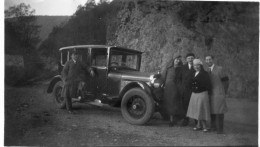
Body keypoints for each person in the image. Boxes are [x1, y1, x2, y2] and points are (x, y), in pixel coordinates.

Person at [61, 50, 94, 114]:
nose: (75, 56)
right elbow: (64, 72)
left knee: (73, 94)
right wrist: (65, 79)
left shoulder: (80, 62)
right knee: (67, 95)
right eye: (74, 55)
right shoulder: (68, 63)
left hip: (76, 81)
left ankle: (70, 105)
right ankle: (69, 109)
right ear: (71, 56)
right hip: (69, 81)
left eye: (76, 55)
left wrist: (91, 70)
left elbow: (86, 67)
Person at [205, 55, 229, 134]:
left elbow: (226, 81)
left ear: (213, 60)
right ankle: (213, 127)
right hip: (211, 94)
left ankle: (220, 129)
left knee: (219, 112)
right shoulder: (207, 71)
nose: (208, 61)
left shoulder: (219, 69)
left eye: (210, 59)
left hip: (219, 93)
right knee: (212, 111)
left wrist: (224, 92)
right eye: (207, 60)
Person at [186, 59, 211, 132]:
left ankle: (205, 126)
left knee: (201, 109)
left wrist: (198, 88)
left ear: (201, 66)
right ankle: (198, 125)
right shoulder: (194, 73)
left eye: (198, 65)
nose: (196, 67)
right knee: (197, 109)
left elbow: (207, 85)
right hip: (195, 93)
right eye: (194, 65)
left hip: (202, 93)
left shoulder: (205, 74)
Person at [161, 55, 183, 127]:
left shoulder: (181, 68)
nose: (177, 61)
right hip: (169, 87)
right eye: (176, 59)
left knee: (176, 103)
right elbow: (163, 76)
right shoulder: (169, 68)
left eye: (179, 60)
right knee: (169, 102)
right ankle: (170, 119)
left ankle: (175, 119)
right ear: (173, 60)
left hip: (177, 87)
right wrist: (162, 84)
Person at [180, 53, 196, 126]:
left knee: (195, 105)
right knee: (185, 105)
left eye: (192, 58)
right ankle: (186, 119)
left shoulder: (197, 67)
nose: (190, 60)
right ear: (186, 59)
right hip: (185, 90)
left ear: (194, 59)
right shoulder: (183, 67)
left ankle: (196, 120)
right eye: (189, 58)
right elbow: (180, 78)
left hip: (193, 89)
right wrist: (181, 87)